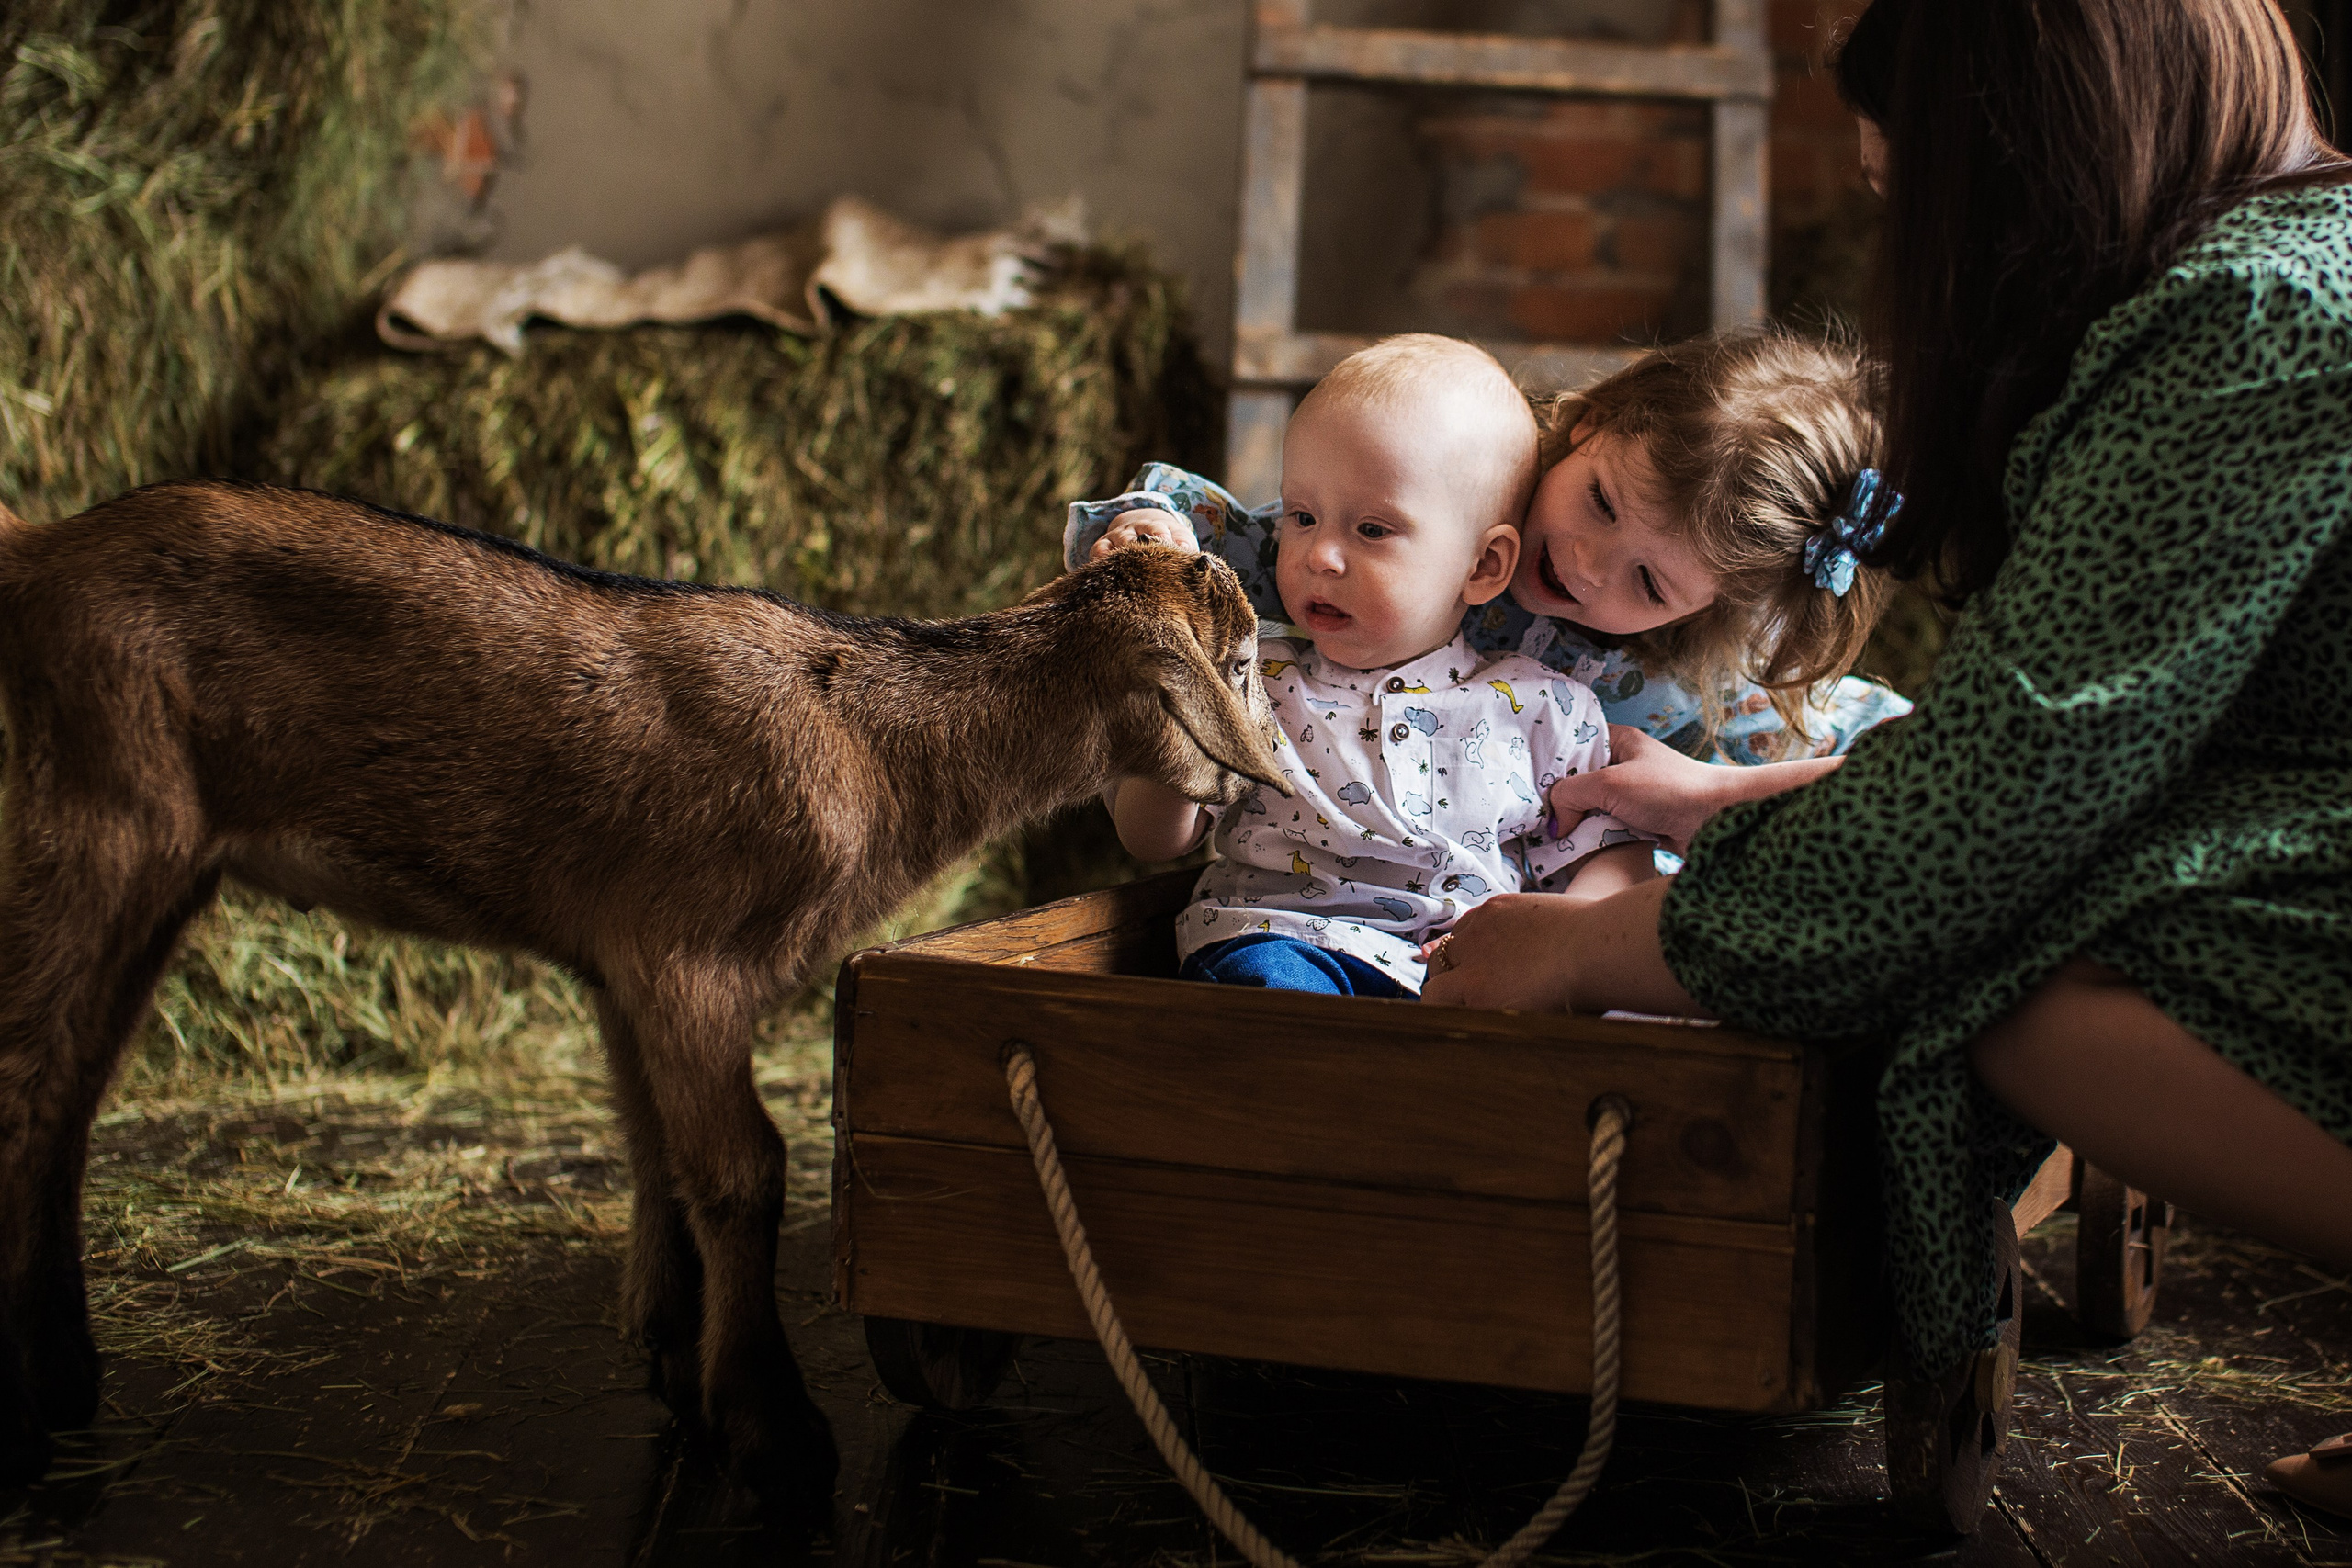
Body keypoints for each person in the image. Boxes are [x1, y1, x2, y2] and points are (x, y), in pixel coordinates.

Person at [1419, 0, 2352, 1517]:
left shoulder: (2252, 319)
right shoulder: (2291, 263)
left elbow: (2009, 790)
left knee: (2017, 995)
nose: (1900, 228)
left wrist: (1600, 949)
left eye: (1902, 186)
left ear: (2021, 169)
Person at [1073, 330, 1905, 995]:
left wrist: (1699, 801)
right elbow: (1261, 540)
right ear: (1588, 424)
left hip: (1464, 955)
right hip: (1288, 931)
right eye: (1601, 501)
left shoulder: (1667, 692)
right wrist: (1157, 547)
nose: (1585, 559)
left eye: (1648, 581)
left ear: (1706, 610)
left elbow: (1917, 772)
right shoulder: (1418, 505)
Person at [1084, 335, 1657, 998]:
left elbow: (1611, 863)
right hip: (1282, 946)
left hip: (1465, 979)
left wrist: (1549, 942)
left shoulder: (1547, 708)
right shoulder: (1249, 676)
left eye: (1373, 530)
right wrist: (1182, 682)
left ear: (1484, 565)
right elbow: (1152, 839)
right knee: (1269, 992)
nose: (1319, 555)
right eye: (1302, 515)